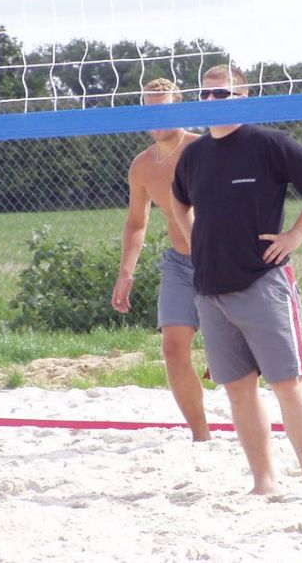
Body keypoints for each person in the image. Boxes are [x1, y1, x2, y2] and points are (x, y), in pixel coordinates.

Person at [171, 64, 302, 500]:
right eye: (205, 94)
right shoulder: (193, 154)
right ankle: (263, 482)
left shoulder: (268, 143)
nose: (211, 101)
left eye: (221, 94)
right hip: (211, 288)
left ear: (243, 98)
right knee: (238, 390)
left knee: (288, 385)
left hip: (263, 282)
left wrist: (295, 235)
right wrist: (194, 239)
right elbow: (178, 201)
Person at [111, 78, 211, 442]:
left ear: (180, 108)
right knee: (172, 348)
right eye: (149, 110)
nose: (156, 118)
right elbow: (137, 223)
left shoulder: (205, 149)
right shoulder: (141, 165)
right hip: (180, 264)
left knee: (233, 355)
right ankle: (201, 437)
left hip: (219, 261)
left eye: (164, 109)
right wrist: (126, 272)